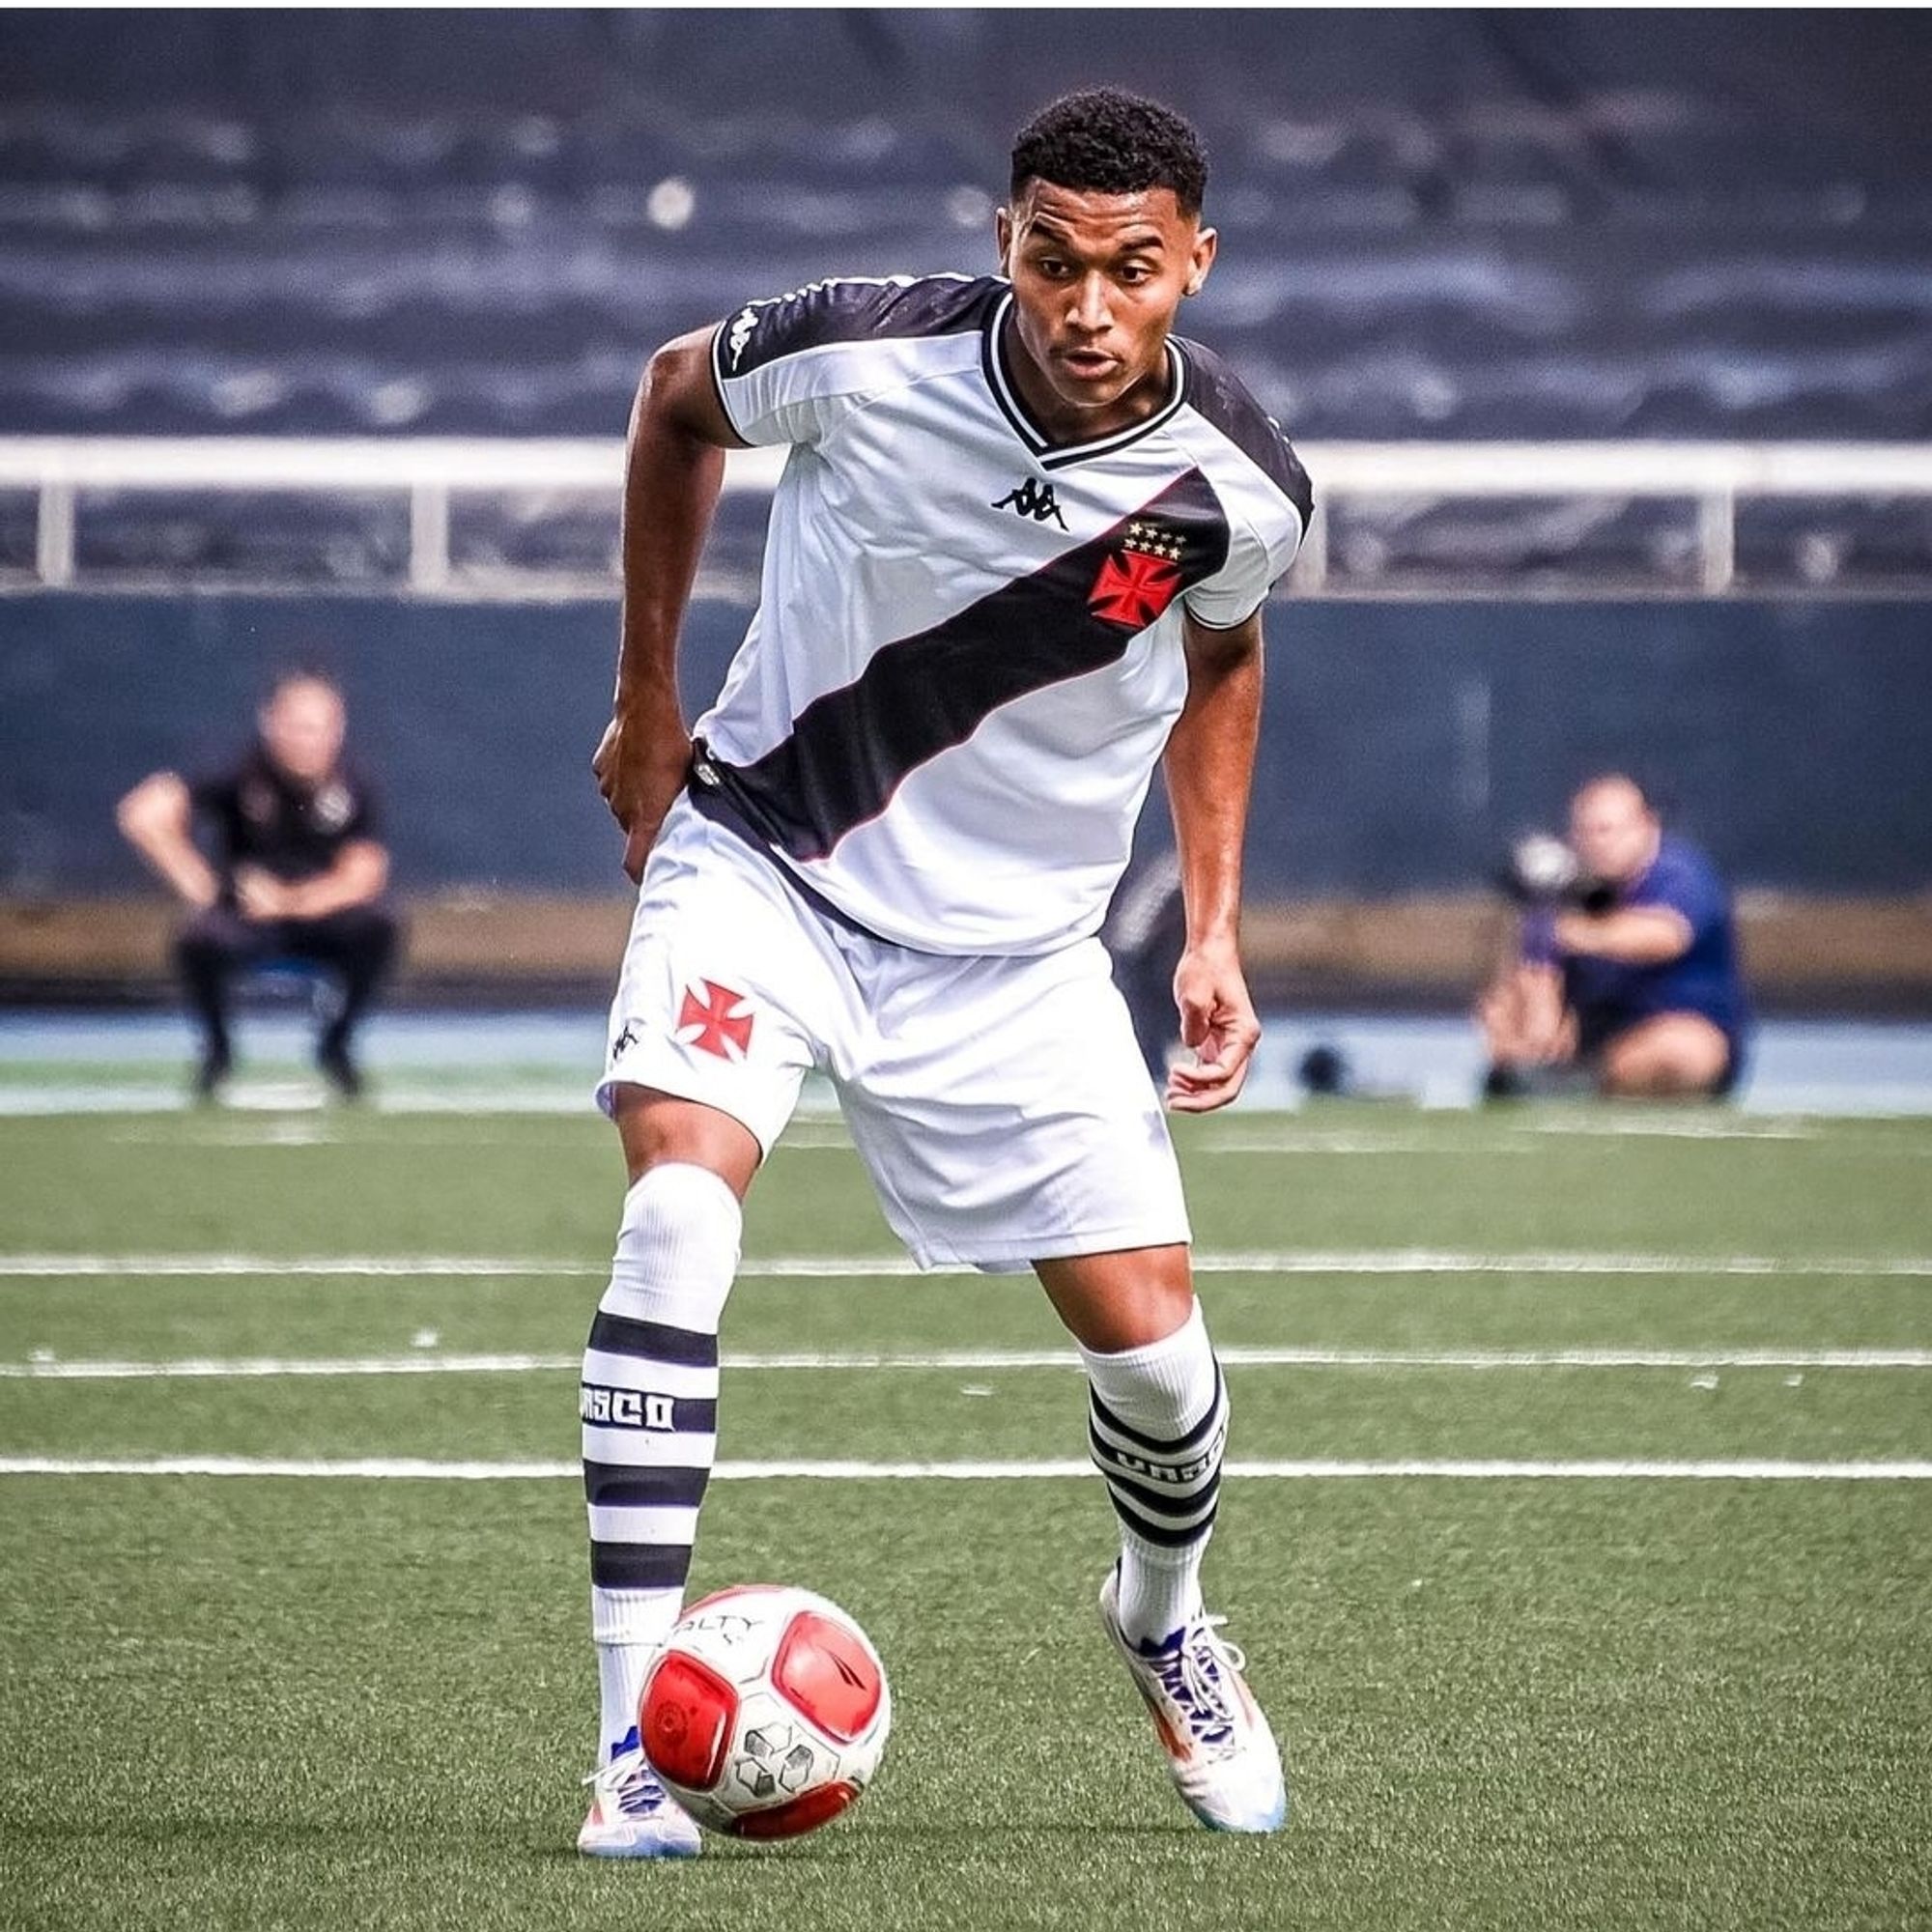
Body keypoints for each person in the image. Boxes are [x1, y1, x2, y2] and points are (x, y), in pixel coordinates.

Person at [578, 89, 1312, 1857]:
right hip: (766, 862)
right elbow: (674, 398)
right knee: (676, 1215)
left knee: (1159, 1363)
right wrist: (648, 697)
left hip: (1017, 954)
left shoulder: (1241, 489)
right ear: (1004, 243)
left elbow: (1223, 660)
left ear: (1195, 266)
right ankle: (626, 1749)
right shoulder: (865, 353)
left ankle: (1162, 1622)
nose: (1087, 305)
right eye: (1053, 261)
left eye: (1131, 270)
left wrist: (1214, 925)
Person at [115, 668, 401, 1101]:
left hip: (321, 919)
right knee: (197, 938)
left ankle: (336, 1044)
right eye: (297, 727)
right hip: (248, 920)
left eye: (318, 728)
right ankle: (218, 1050)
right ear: (271, 723)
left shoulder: (355, 786)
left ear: (338, 730)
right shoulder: (238, 773)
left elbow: (364, 875)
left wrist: (289, 901)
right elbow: (142, 812)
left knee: (380, 925)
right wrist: (202, 884)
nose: (307, 740)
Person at [1478, 774, 1749, 1098]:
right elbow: (1536, 969)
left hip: (1674, 1025)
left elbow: (1666, 936)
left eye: (1606, 830)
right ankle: (1534, 1075)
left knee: (1685, 1050)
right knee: (1507, 1004)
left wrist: (1571, 932)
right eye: (1585, 832)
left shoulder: (1680, 874)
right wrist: (1536, 1017)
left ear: (1646, 826)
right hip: (1591, 1029)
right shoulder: (1562, 887)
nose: (1597, 843)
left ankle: (1585, 1082)